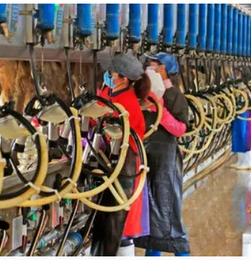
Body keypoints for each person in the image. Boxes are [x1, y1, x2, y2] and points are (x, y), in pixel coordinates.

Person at [91, 53, 150, 256]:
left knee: (119, 227)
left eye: (111, 72)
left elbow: (110, 127)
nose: (108, 75)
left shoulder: (127, 104)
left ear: (123, 78)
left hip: (126, 167)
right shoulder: (111, 93)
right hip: (112, 164)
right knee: (110, 226)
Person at [134, 53, 190, 256]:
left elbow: (181, 129)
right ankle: (152, 252)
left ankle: (181, 252)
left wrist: (160, 110)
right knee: (149, 212)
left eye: (153, 65)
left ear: (163, 69)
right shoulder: (143, 92)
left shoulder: (175, 96)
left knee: (169, 207)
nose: (149, 68)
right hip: (146, 157)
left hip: (166, 159)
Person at [230, 67, 251, 170]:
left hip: (244, 113)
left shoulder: (245, 87)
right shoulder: (237, 85)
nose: (235, 74)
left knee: (245, 137)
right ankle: (240, 161)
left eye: (238, 72)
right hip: (238, 112)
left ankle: (248, 163)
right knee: (238, 136)